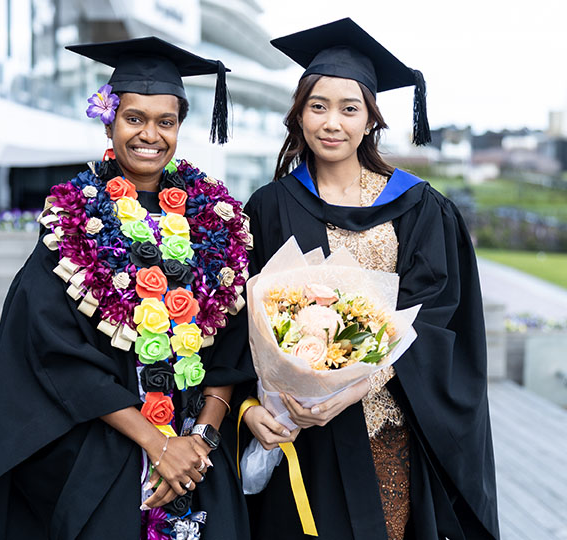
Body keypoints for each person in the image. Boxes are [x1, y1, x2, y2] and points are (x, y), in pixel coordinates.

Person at [0, 37, 254, 539]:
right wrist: (156, 445)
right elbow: (55, 351)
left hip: (198, 453)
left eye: (166, 121)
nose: (150, 134)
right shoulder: (71, 222)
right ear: (109, 121)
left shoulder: (217, 218)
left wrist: (200, 440)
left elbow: (232, 339)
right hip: (109, 447)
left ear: (180, 127)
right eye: (134, 118)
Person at [240, 19, 499, 540]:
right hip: (298, 431)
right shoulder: (269, 207)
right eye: (318, 106)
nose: (331, 122)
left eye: (348, 108)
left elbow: (437, 316)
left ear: (370, 120)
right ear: (299, 115)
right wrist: (249, 410)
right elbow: (238, 324)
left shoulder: (419, 207)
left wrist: (360, 384)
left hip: (388, 427)